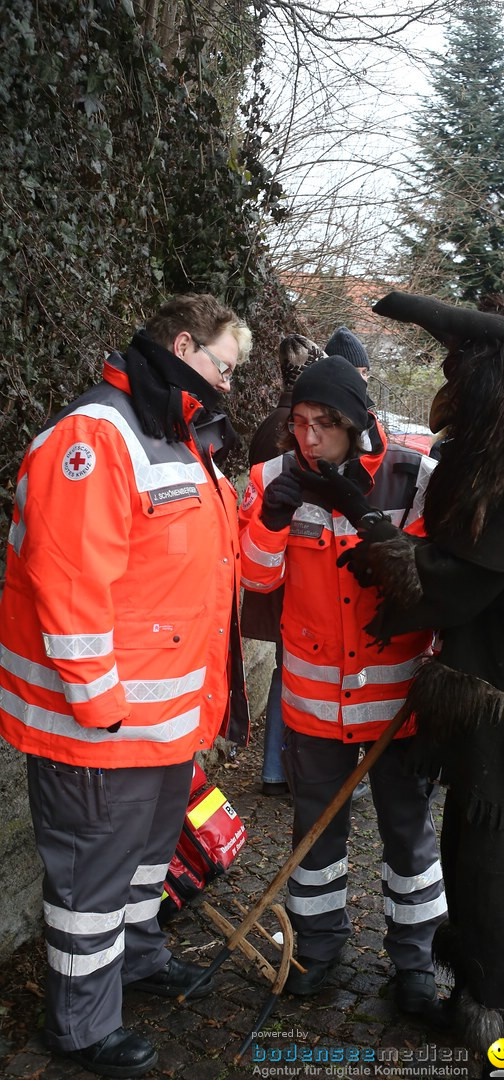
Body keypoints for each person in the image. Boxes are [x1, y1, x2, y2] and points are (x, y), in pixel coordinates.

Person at [317, 292, 504, 1077]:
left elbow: (441, 586)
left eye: (460, 371)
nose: (447, 389)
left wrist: (367, 521)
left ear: (500, 381)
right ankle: (479, 1006)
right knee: (476, 873)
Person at [0, 293, 251, 1079]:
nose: (230, 388)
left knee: (145, 865)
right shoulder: (96, 437)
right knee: (90, 886)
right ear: (184, 345)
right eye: (224, 367)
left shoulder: (173, 435)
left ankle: (139, 959)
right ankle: (77, 1027)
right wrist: (101, 708)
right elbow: (68, 580)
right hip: (97, 732)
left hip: (157, 727)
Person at [237, 355, 446, 1016]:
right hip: (312, 705)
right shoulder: (271, 478)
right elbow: (255, 580)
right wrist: (272, 517)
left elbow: (425, 586)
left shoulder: (416, 478)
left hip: (397, 708)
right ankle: (316, 949)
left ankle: (415, 964)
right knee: (314, 841)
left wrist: (359, 512)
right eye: (299, 422)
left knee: (409, 839)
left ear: (357, 423)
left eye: (324, 424)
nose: (307, 438)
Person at [241, 334, 324, 796]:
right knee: (294, 669)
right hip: (290, 566)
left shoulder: (269, 424)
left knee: (284, 666)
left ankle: (278, 766)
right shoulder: (295, 431)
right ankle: (286, 767)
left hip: (273, 564)